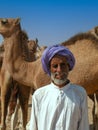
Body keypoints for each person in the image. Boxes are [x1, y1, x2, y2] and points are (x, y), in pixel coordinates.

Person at [29, 45, 89, 130]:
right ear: (49, 69)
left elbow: (84, 126)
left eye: (63, 65)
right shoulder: (39, 95)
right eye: (55, 66)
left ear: (69, 67)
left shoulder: (80, 93)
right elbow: (33, 127)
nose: (59, 70)